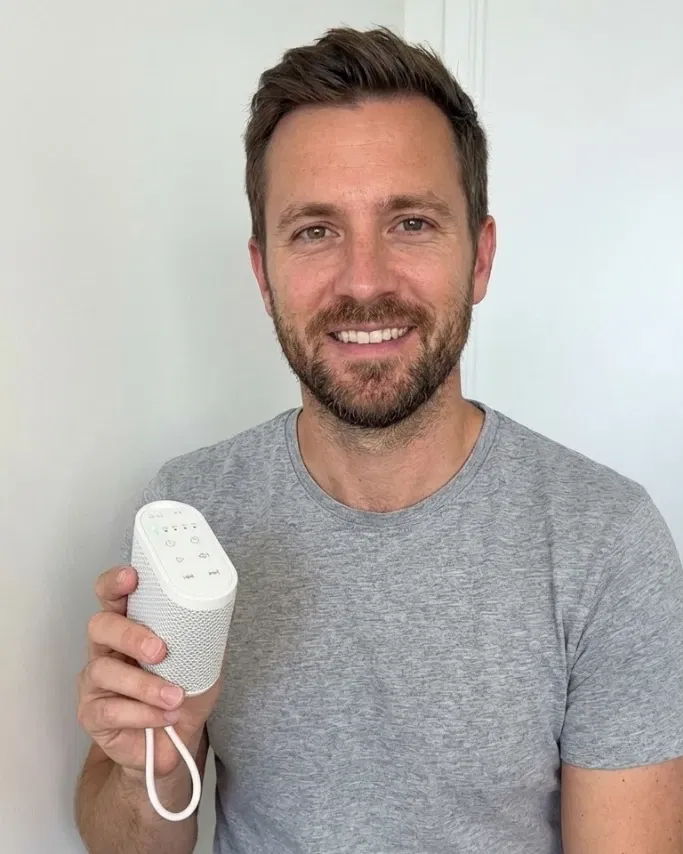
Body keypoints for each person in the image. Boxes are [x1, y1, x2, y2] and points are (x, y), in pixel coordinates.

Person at [74, 25, 683, 854]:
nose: (363, 281)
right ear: (263, 275)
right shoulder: (192, 513)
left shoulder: (603, 541)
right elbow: (129, 841)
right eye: (315, 231)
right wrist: (155, 761)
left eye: (411, 223)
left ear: (479, 258)